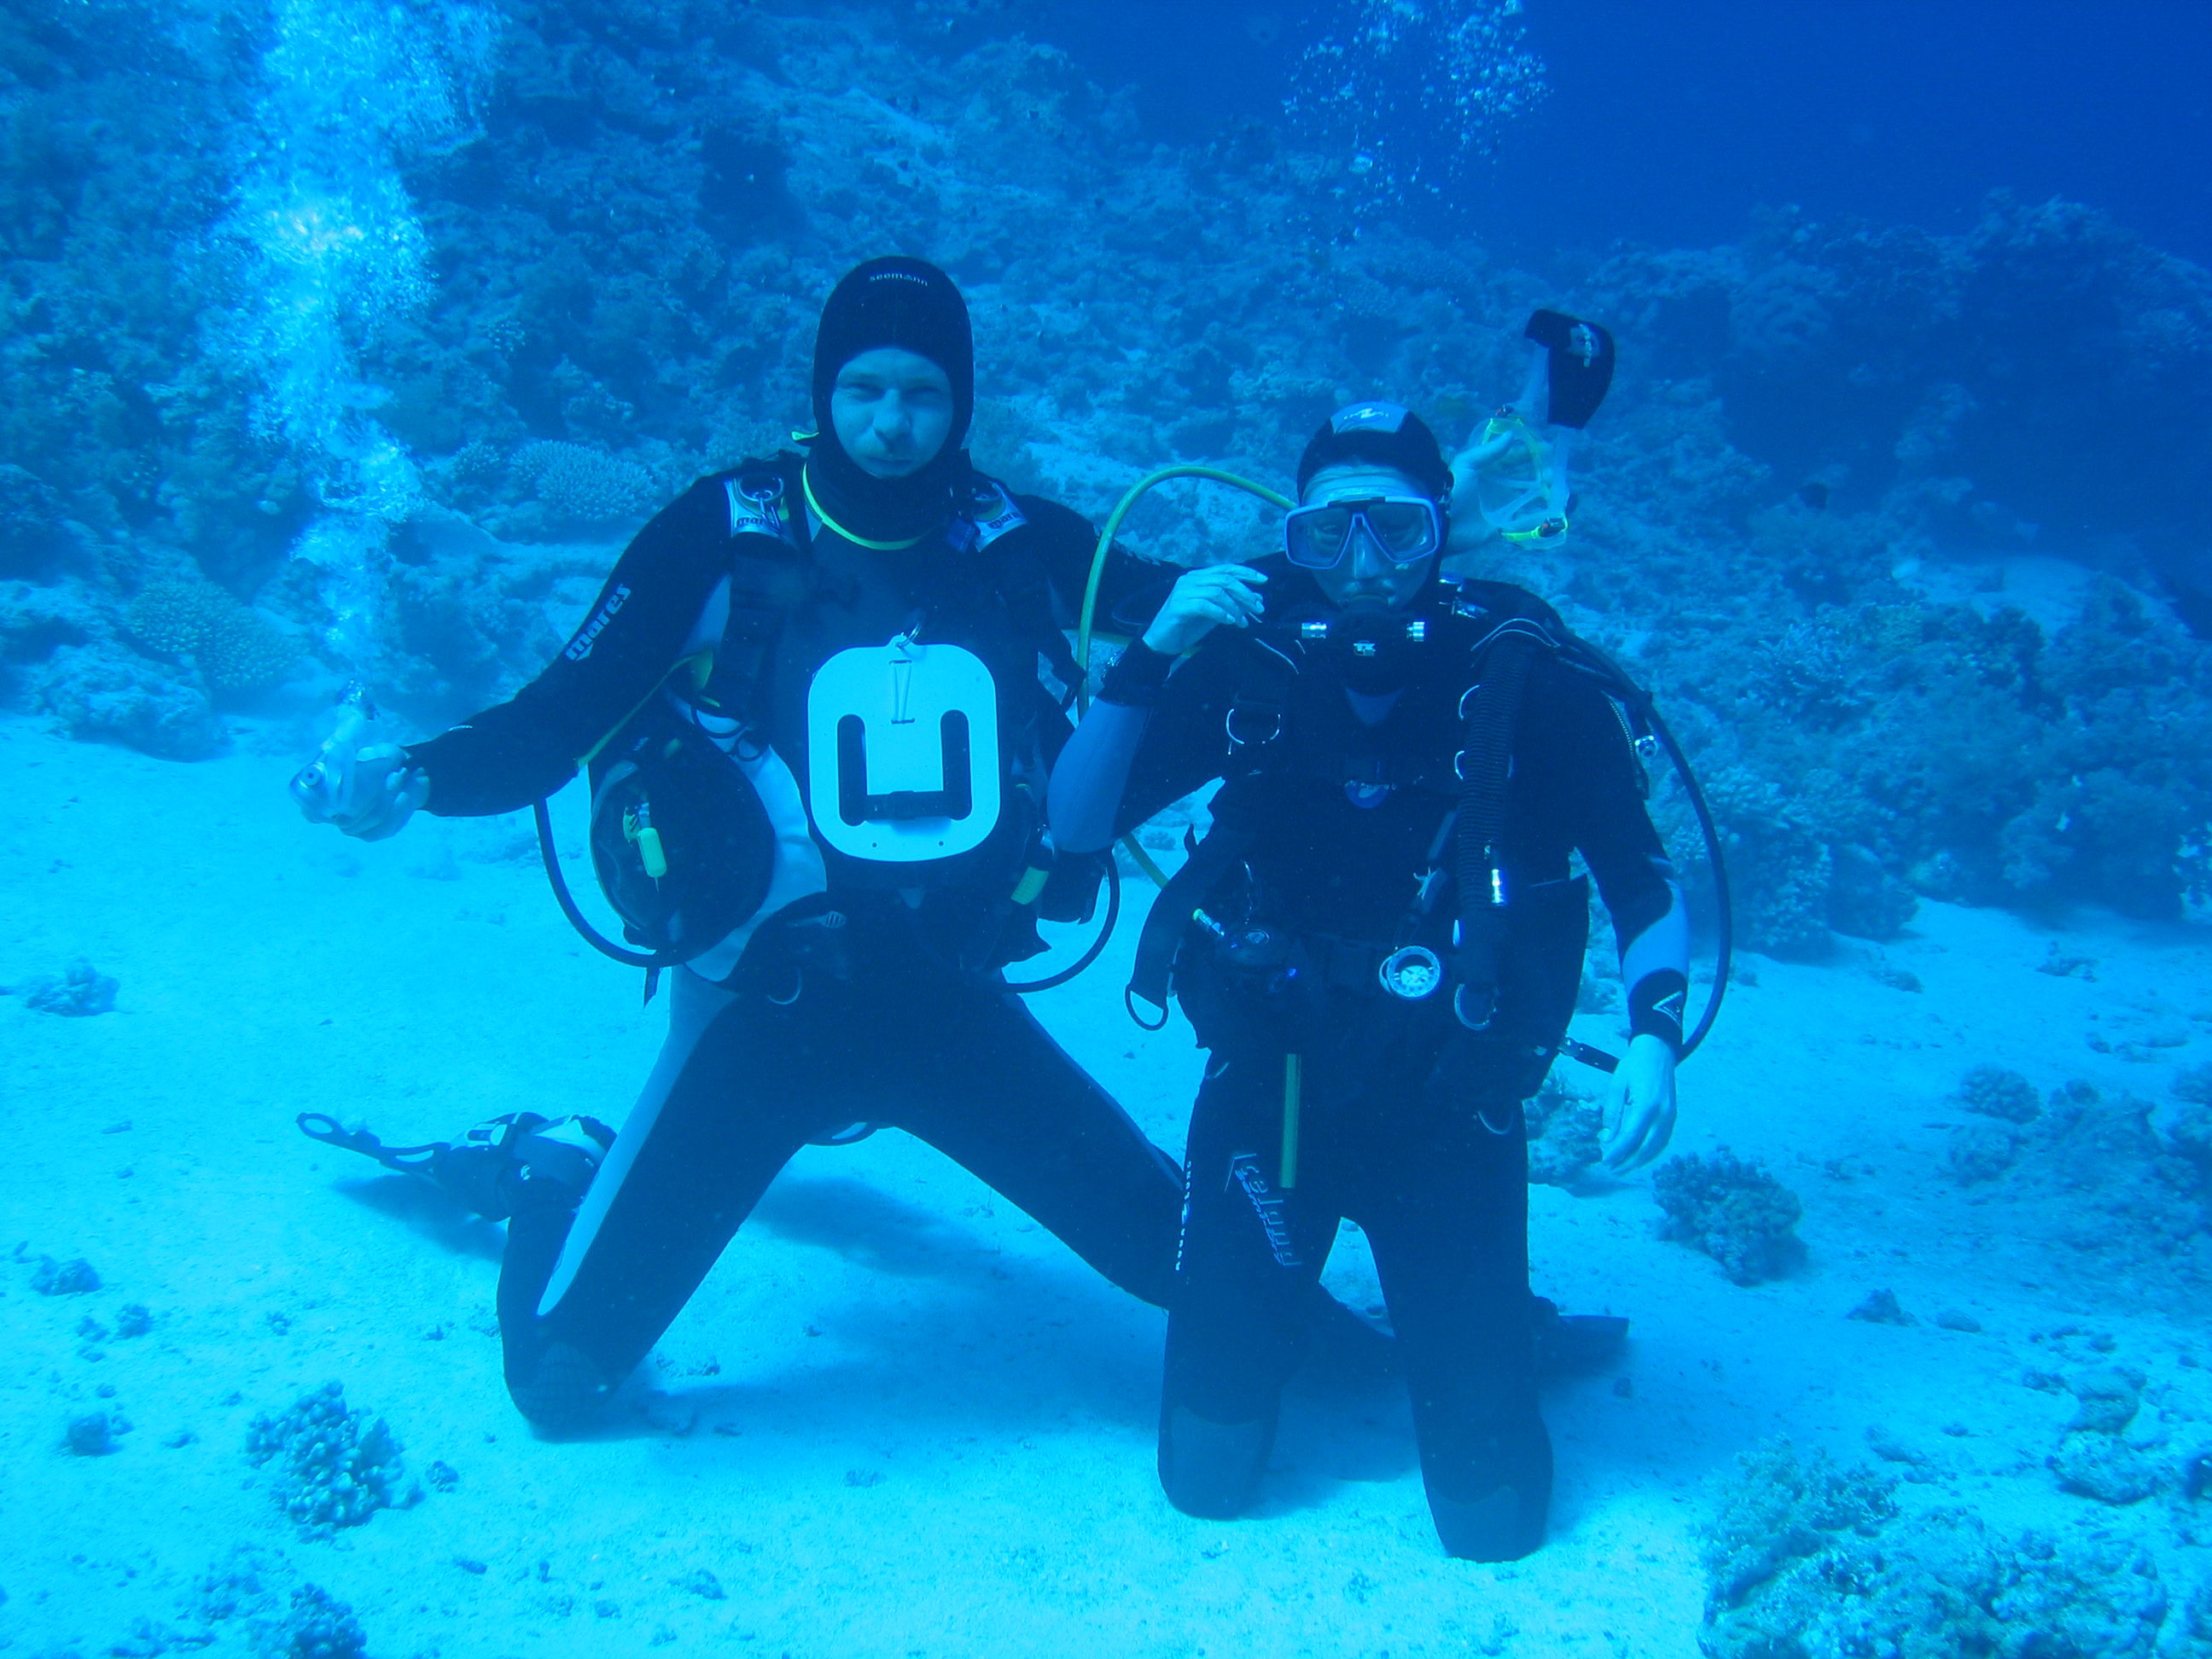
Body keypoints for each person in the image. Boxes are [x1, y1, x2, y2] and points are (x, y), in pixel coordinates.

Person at [296, 257, 1217, 1432]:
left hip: (951, 1001)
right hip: (761, 1012)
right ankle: (552, 1167)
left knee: (1207, 1279)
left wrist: (1370, 551)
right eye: (864, 389)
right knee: (559, 1381)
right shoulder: (723, 536)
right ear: (824, 389)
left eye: (924, 394)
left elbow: (1203, 608)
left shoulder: (1018, 544)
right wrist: (421, 774)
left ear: (963, 401)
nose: (892, 425)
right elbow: (558, 718)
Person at [1046, 396, 1686, 1561]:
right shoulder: (1245, 660)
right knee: (1203, 1476)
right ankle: (1299, 1313)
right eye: (1326, 533)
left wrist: (1654, 1034)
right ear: (1291, 536)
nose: (1363, 565)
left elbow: (1641, 880)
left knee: (1495, 1522)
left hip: (1453, 1107)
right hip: (1269, 1099)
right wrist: (1149, 657)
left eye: (1396, 528)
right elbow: (1077, 827)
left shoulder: (1526, 676)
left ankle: (1495, 1333)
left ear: (1444, 527)